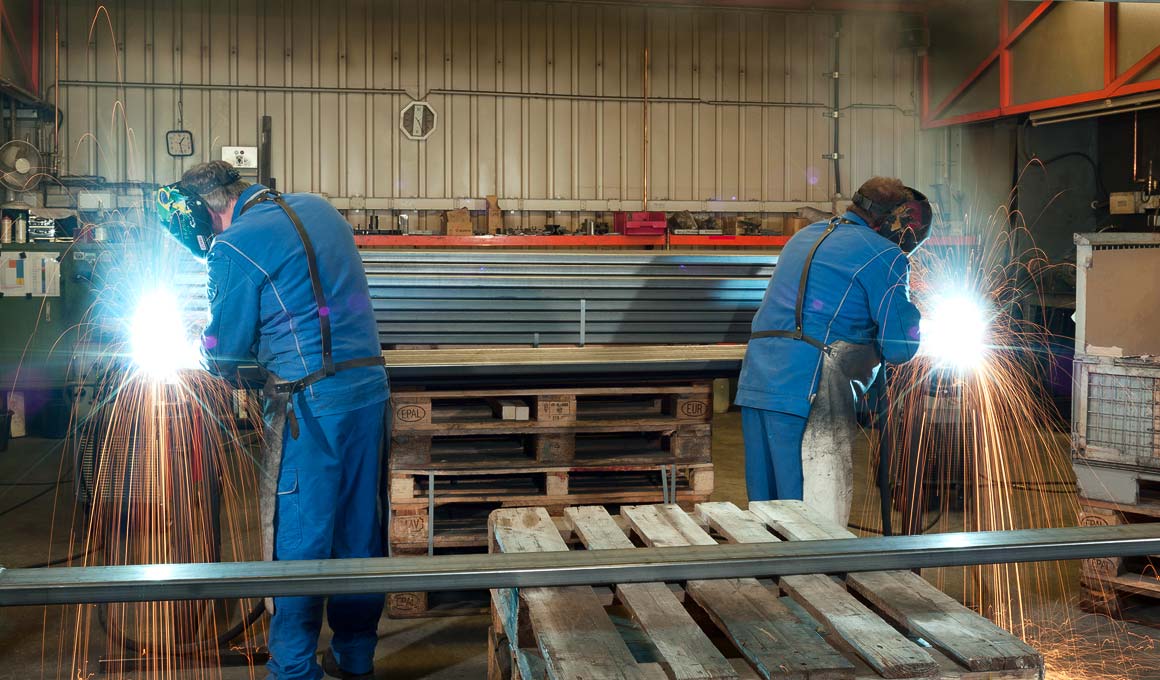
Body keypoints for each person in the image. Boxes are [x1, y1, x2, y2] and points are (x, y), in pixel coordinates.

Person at [157, 161, 389, 680]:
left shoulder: (233, 244)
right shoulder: (320, 207)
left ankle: (293, 670)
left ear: (203, 211)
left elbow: (224, 349)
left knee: (299, 542)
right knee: (359, 533)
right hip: (370, 391)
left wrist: (198, 340)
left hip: (311, 407)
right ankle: (355, 657)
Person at [735, 176, 929, 526]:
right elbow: (899, 346)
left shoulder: (804, 236)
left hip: (759, 380)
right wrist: (919, 316)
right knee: (814, 524)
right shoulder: (883, 254)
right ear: (896, 221)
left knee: (767, 516)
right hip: (811, 389)